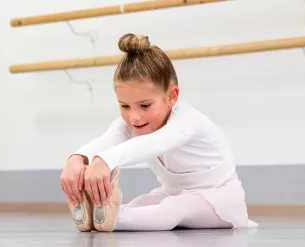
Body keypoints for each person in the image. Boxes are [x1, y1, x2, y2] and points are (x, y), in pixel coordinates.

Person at [60, 33, 257, 232]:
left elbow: (154, 143)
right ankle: (102, 213)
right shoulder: (133, 121)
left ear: (172, 96)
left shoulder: (188, 121)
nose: (134, 117)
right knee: (143, 202)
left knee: (175, 208)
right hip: (173, 192)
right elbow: (111, 139)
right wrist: (77, 158)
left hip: (218, 198)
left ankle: (113, 219)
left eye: (144, 105)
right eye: (125, 106)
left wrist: (104, 161)